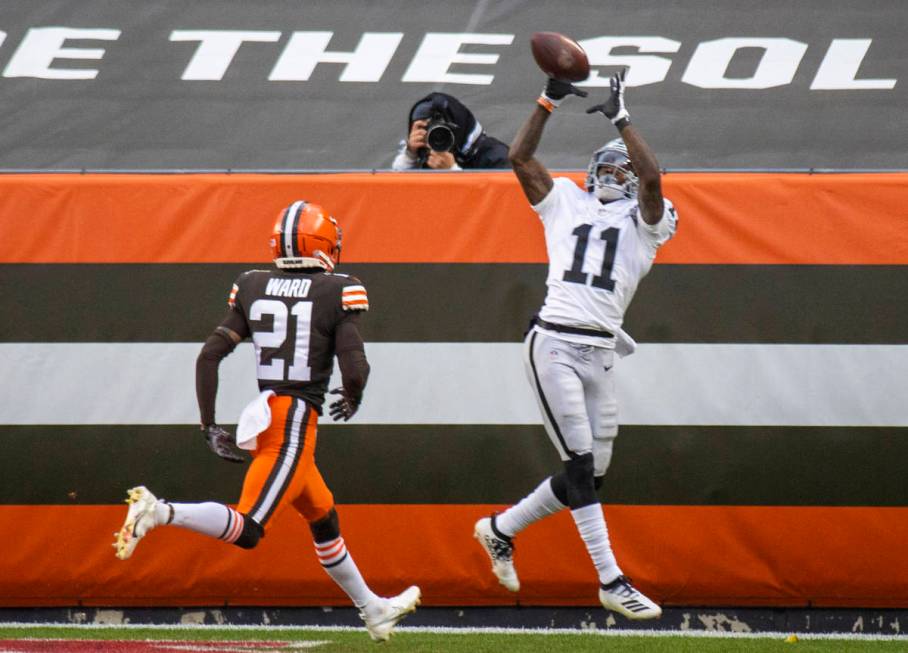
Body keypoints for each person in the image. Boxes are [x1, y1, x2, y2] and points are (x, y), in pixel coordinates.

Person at [113, 200, 420, 642]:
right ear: (325, 244)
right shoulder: (339, 289)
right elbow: (354, 368)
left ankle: (372, 609)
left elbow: (209, 356)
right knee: (249, 528)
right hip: (293, 424)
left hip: (272, 414)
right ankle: (160, 511)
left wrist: (208, 425)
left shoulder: (254, 285)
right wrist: (353, 396)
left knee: (324, 517)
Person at [473, 69, 677, 620]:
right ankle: (611, 580)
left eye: (623, 166)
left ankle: (500, 528)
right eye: (605, 164)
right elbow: (520, 158)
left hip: (601, 352)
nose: (613, 171)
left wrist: (622, 118)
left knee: (589, 476)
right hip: (555, 344)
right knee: (582, 468)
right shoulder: (564, 200)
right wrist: (546, 99)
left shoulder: (649, 223)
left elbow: (655, 182)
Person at [391, 92, 510, 170]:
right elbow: (396, 197)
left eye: (442, 130)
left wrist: (453, 172)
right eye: (426, 130)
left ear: (458, 127)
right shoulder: (424, 157)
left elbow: (502, 203)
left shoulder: (498, 158)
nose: (436, 137)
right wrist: (410, 157)